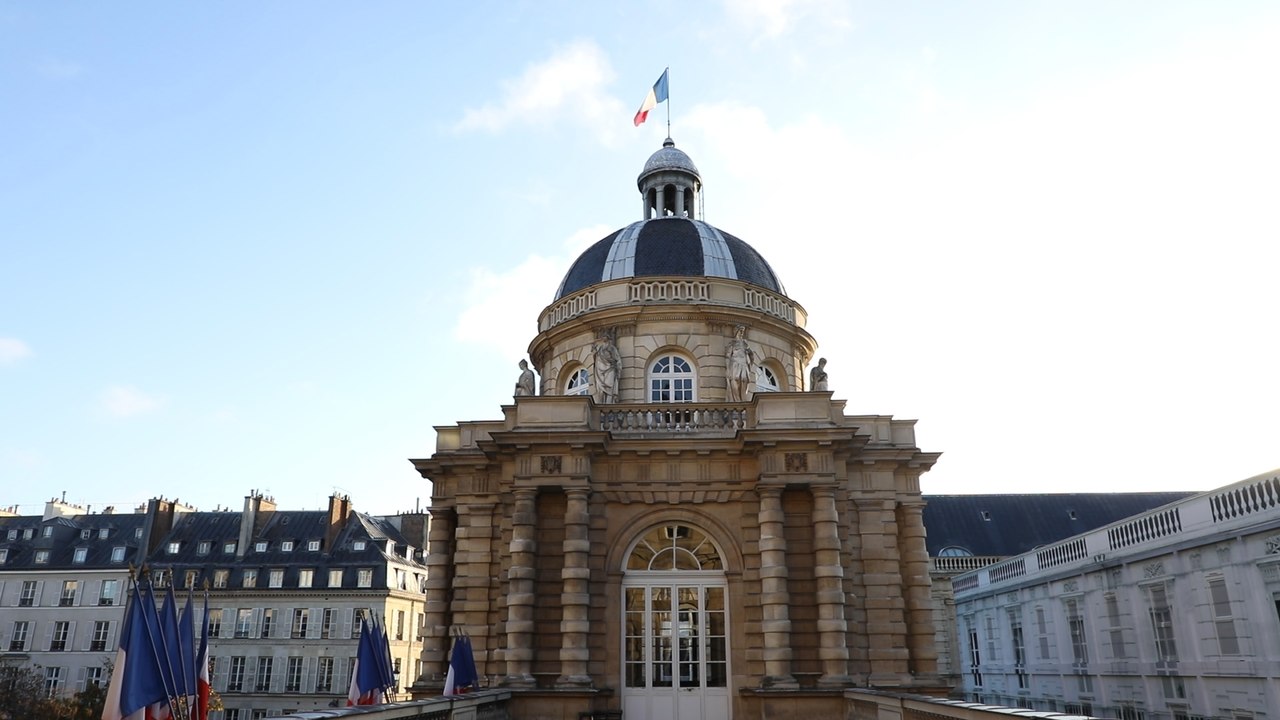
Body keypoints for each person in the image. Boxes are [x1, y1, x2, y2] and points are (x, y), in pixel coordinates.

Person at [726, 325, 758, 403]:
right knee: (735, 380)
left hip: (743, 364)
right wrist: (727, 369)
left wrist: (749, 354)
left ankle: (742, 400)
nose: (741, 333)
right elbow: (728, 356)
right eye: (740, 331)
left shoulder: (745, 343)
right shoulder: (732, 343)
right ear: (736, 331)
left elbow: (751, 355)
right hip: (735, 363)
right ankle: (736, 401)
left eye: (742, 332)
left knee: (744, 379)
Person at [593, 335, 621, 404]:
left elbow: (617, 359)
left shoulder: (611, 348)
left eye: (605, 337)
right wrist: (594, 351)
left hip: (611, 368)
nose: (604, 339)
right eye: (603, 337)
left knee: (610, 388)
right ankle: (601, 404)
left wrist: (618, 368)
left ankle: (610, 404)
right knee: (600, 390)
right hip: (600, 370)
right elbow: (596, 359)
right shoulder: (600, 349)